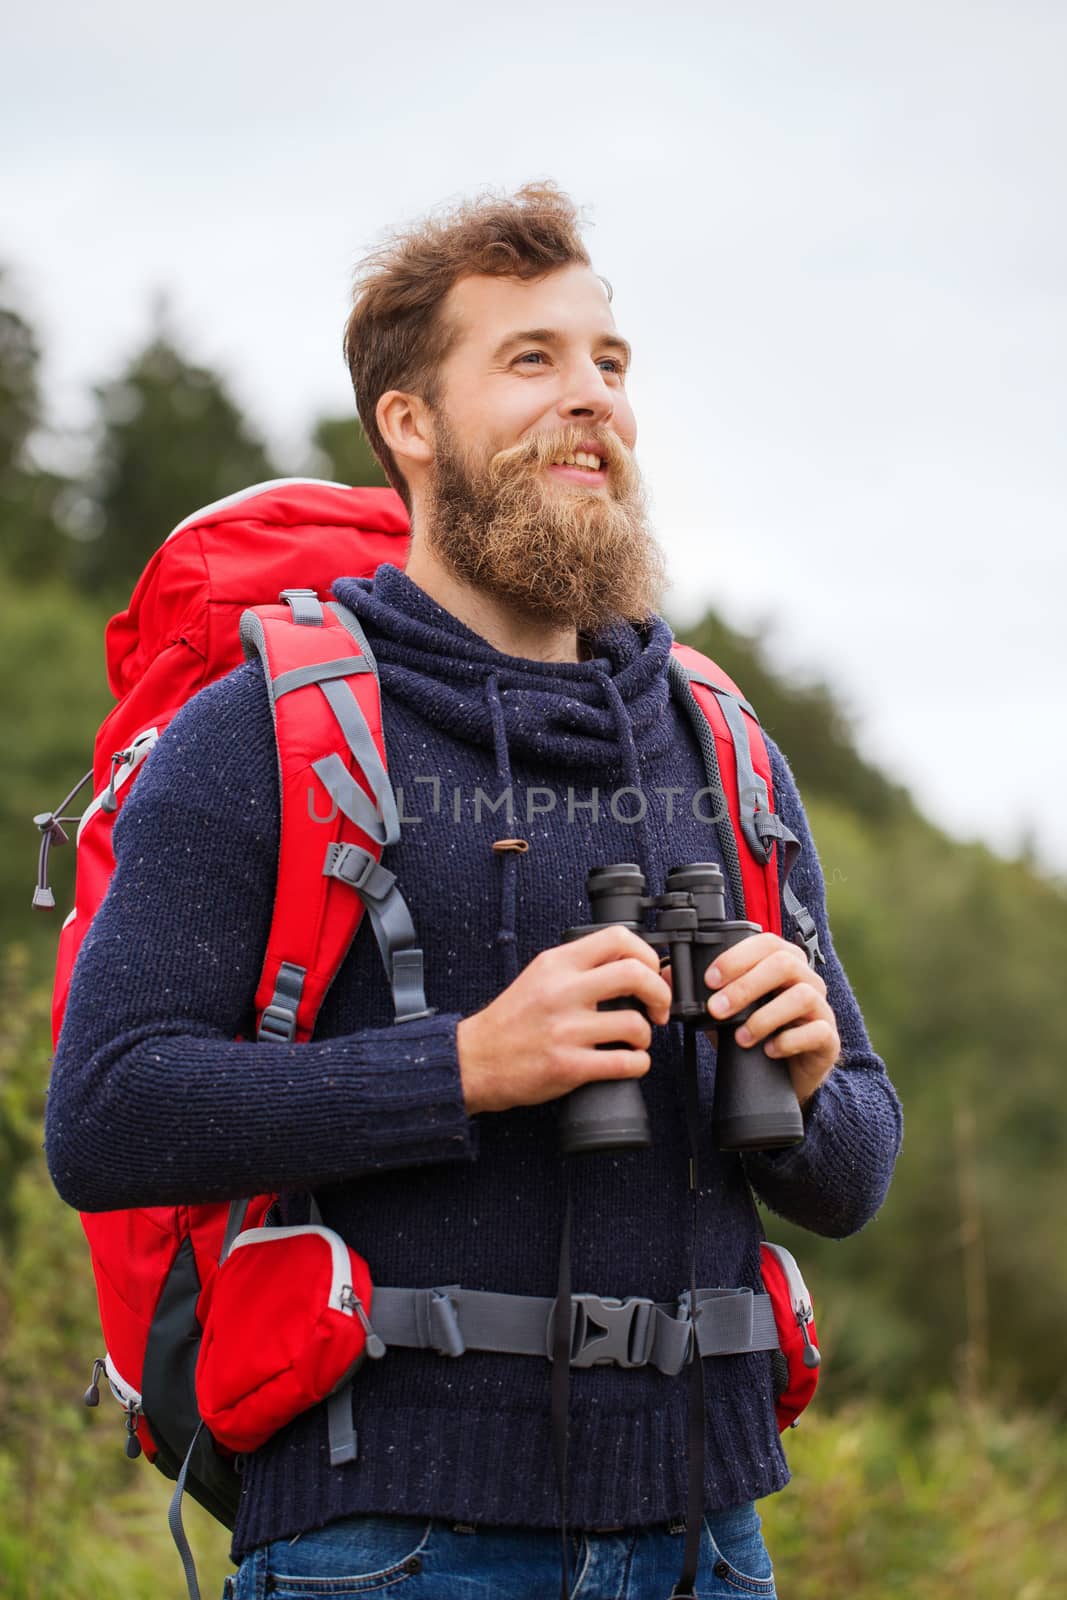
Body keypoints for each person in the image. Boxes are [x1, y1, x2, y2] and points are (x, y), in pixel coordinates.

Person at [45, 183, 902, 1600]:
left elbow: (857, 1171)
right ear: (410, 423)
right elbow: (109, 1113)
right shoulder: (268, 730)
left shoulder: (718, 745)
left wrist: (810, 1084)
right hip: (392, 1541)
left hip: (710, 1533)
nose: (593, 399)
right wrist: (468, 1066)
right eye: (532, 359)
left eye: (609, 363)